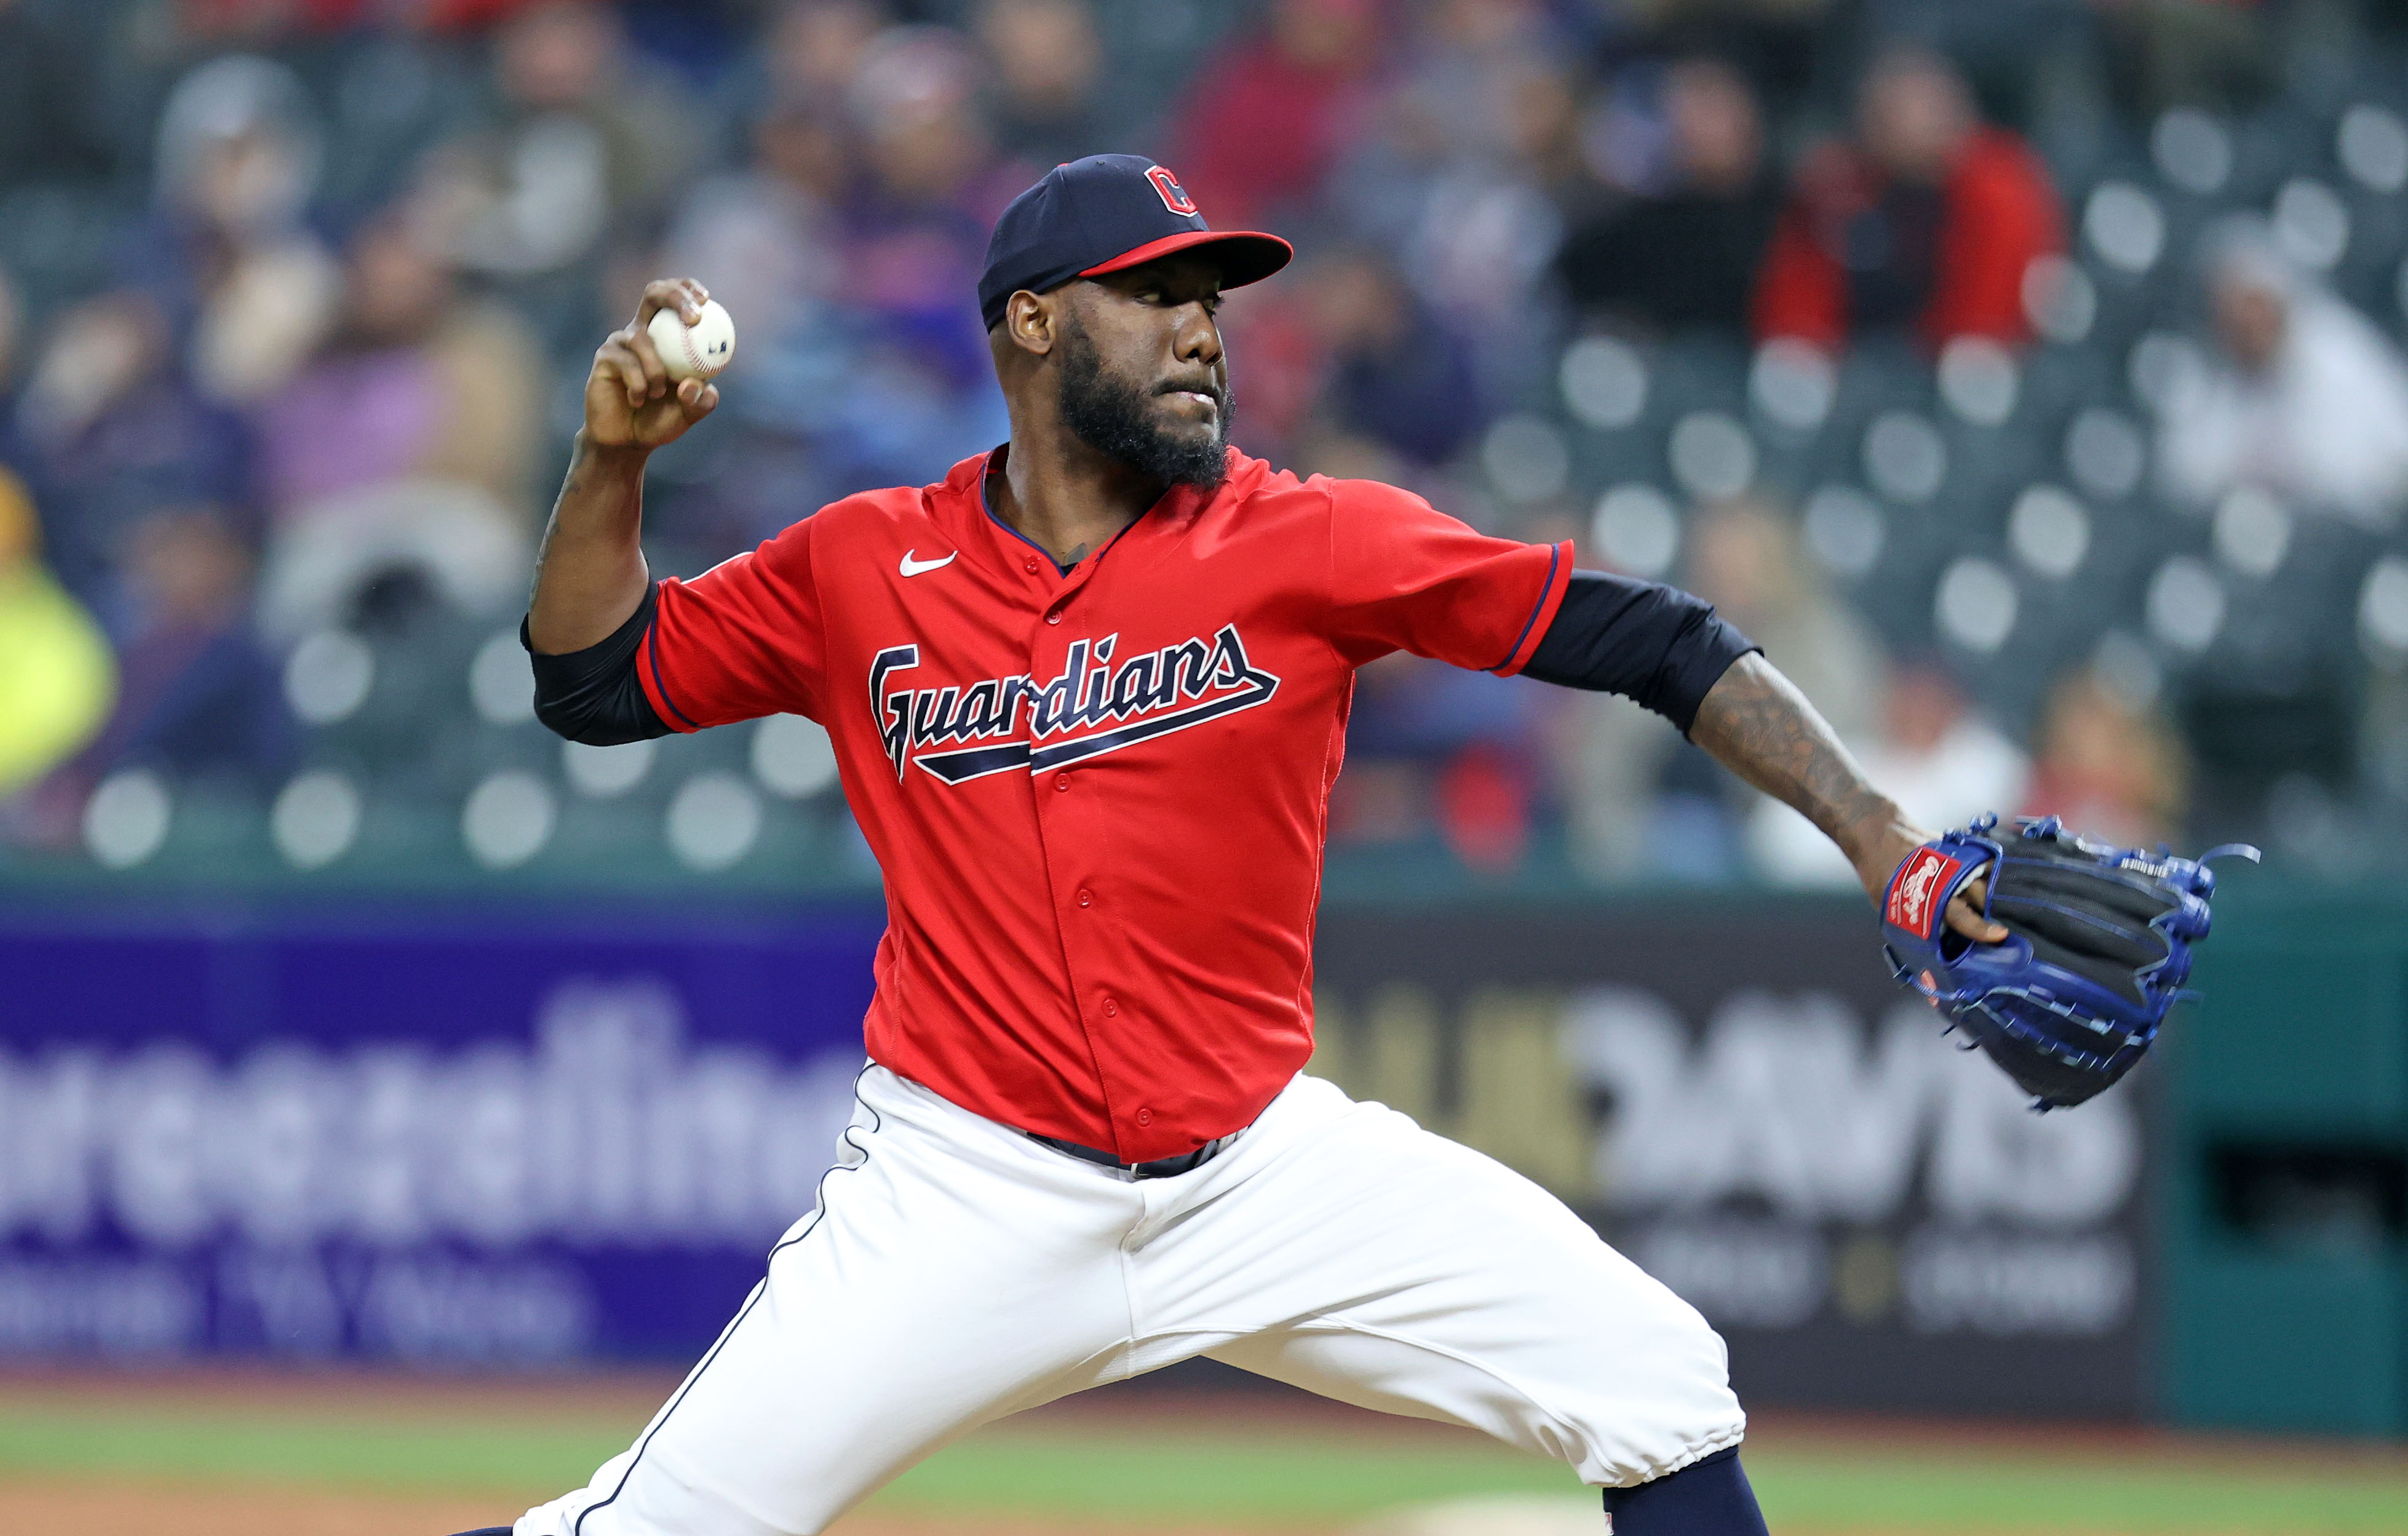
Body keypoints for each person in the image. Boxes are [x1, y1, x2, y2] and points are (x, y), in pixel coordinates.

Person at [469, 154, 2005, 1536]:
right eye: (1153, 295)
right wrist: (612, 463)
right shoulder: (866, 561)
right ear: (1033, 325)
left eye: (1210, 300)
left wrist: (1888, 840)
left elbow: (1655, 638)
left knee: (1658, 1380)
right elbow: (594, 683)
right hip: (965, 1187)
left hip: (1258, 1171)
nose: (1203, 329)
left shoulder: (1301, 536)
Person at [1752, 42, 2062, 352]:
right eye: (1884, 111)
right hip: (1850, 371)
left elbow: (1987, 321)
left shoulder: (1997, 185)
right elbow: (1795, 315)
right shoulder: (1839, 186)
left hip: (1964, 371)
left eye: (1918, 104)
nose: (1902, 121)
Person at [2155, 221, 2408, 527]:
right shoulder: (2207, 380)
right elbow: (2183, 480)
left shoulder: (2340, 357)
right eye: (2234, 314)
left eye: (2255, 307)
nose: (2248, 325)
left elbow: (2390, 463)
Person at [1556, 56, 1783, 338]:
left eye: (1710, 107)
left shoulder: (1794, 213)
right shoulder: (1645, 229)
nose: (1694, 125)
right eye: (1684, 109)